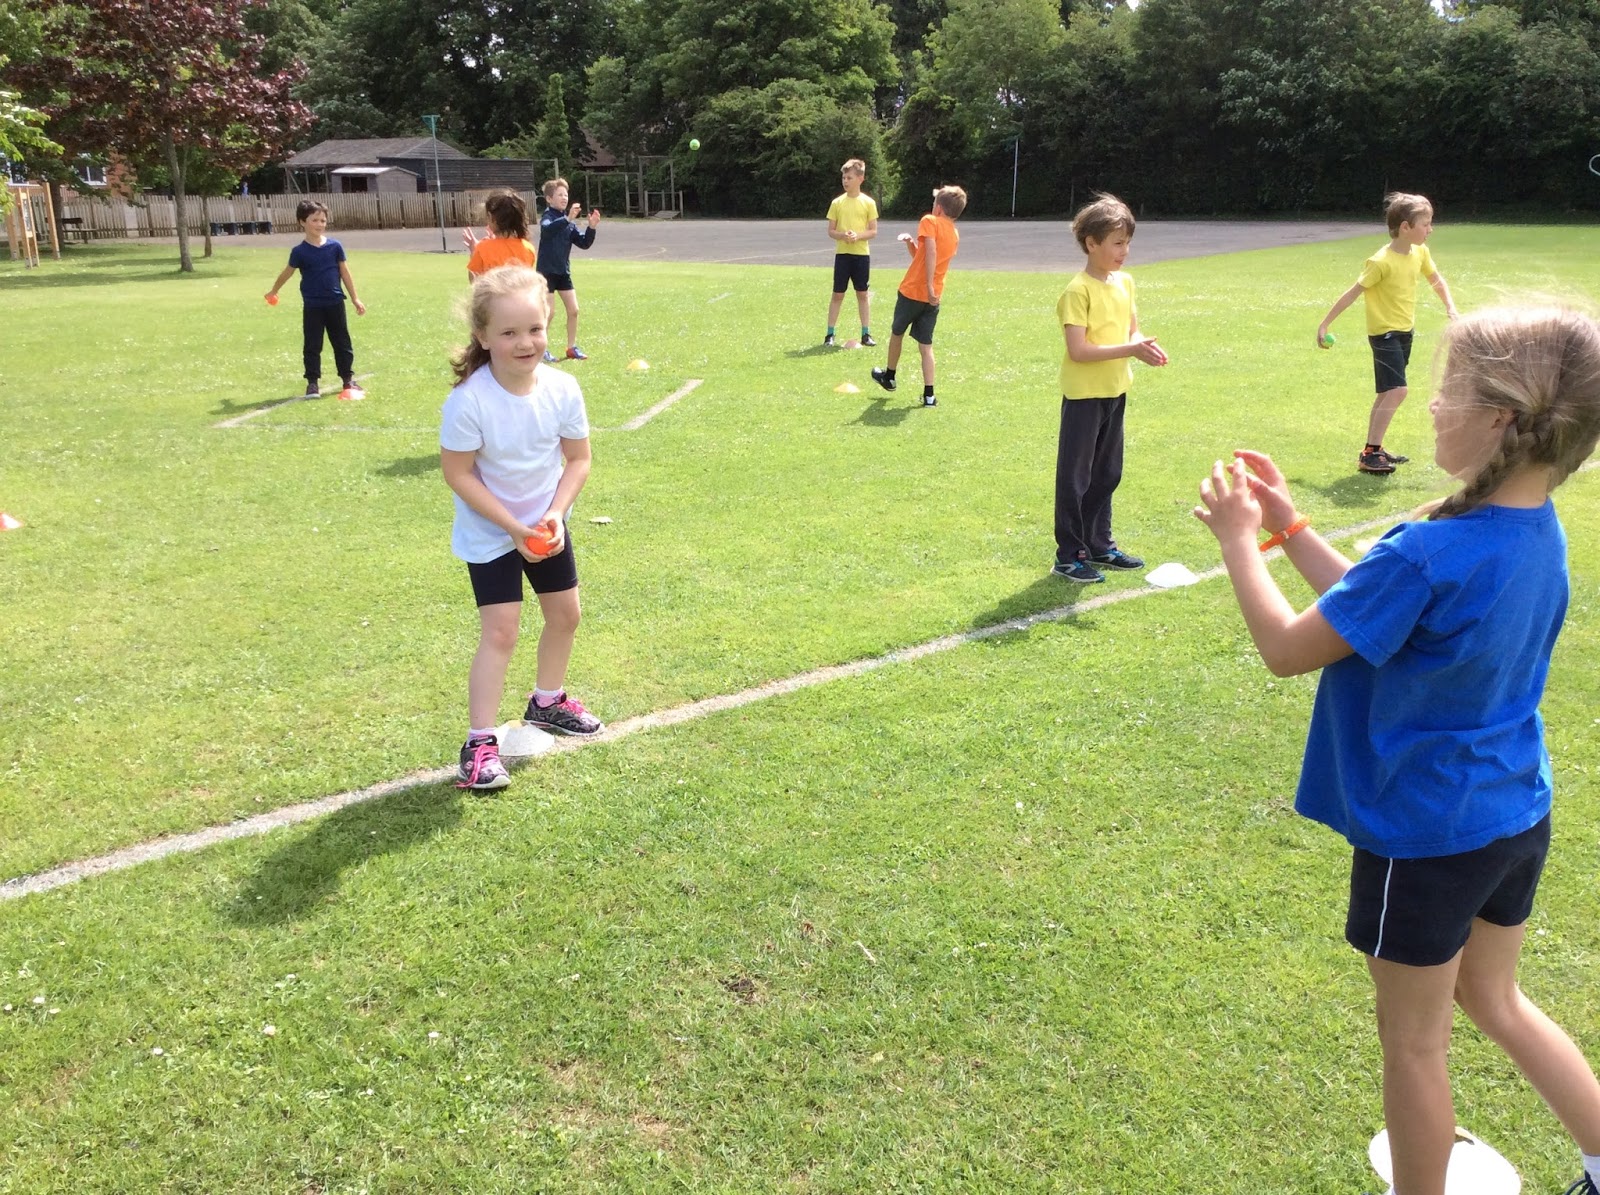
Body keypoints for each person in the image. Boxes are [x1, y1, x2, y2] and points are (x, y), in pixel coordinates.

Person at [1194, 306, 1600, 1195]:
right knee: (1496, 999)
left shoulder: (1429, 548)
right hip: (1512, 815)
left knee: (1414, 1044)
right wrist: (1292, 528)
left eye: (1449, 390)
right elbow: (1371, 615)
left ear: (1499, 418)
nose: (1431, 405)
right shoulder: (1536, 533)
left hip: (1426, 837)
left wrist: (1237, 542)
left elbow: (1289, 648)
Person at [440, 265, 605, 791]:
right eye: (508, 332)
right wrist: (513, 528)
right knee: (502, 631)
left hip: (544, 525)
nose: (524, 342)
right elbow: (457, 473)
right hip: (493, 533)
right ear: (483, 337)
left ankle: (547, 701)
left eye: (534, 329)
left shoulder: (562, 389)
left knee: (565, 616)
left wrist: (554, 514)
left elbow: (578, 460)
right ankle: (480, 742)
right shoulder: (469, 401)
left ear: (548, 324)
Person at [1050, 193, 1168, 584]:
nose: (1125, 251)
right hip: (1084, 396)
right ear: (1092, 244)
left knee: (1108, 473)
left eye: (1127, 242)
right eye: (1117, 243)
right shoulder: (1077, 291)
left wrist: (1142, 345)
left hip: (1115, 390)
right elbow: (1079, 350)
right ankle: (1069, 555)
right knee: (1075, 478)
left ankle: (1099, 544)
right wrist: (1130, 348)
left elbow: (1131, 327)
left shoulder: (1125, 283)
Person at [1316, 191, 1459, 475]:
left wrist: (1450, 307)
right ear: (1405, 227)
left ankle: (1374, 450)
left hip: (1405, 332)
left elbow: (1435, 279)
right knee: (1397, 390)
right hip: (1384, 335)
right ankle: (1370, 453)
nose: (1430, 229)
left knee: (1386, 393)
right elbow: (1353, 292)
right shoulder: (1380, 261)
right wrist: (1325, 324)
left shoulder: (1420, 252)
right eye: (1425, 224)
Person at [869, 185, 966, 408]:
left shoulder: (929, 221)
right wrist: (911, 244)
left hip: (913, 291)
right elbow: (925, 257)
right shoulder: (954, 232)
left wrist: (928, 286)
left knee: (897, 333)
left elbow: (931, 253)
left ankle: (890, 376)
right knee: (926, 345)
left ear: (939, 208)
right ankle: (929, 395)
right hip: (933, 298)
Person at [264, 199, 366, 398]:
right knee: (312, 345)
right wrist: (273, 291)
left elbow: (345, 273)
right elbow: (287, 273)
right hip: (313, 306)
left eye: (323, 220)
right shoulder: (299, 252)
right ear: (302, 222)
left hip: (335, 303)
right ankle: (312, 383)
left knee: (342, 343)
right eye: (315, 220)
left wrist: (355, 298)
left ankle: (347, 379)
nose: (320, 224)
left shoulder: (335, 246)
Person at [536, 177, 600, 362]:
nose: (564, 198)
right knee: (549, 312)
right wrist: (567, 218)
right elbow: (547, 231)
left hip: (563, 272)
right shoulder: (548, 217)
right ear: (549, 199)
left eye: (566, 194)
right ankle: (542, 350)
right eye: (560, 195)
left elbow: (584, 243)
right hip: (546, 272)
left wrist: (592, 227)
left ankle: (571, 348)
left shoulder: (568, 222)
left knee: (574, 310)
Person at [823, 158, 879, 347]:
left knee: (862, 294)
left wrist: (858, 236)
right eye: (844, 178)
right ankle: (830, 334)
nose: (845, 181)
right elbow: (831, 231)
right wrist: (842, 235)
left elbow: (873, 231)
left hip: (861, 255)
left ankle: (866, 333)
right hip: (843, 255)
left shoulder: (868, 203)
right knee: (838, 294)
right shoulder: (837, 203)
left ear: (860, 178)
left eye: (849, 177)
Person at [462, 191, 537, 280]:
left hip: (493, 293)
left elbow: (474, 281)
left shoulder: (483, 248)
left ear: (491, 217)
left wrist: (473, 252)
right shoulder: (528, 248)